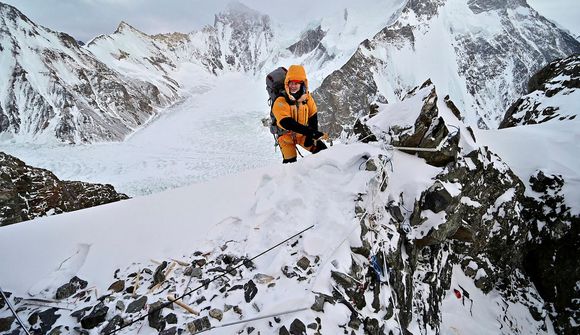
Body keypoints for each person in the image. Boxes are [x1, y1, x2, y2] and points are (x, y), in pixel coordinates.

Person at [271, 65, 327, 163]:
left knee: (323, 151)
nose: (293, 86)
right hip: (285, 137)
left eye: (297, 83)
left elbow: (313, 117)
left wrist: (311, 135)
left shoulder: (307, 98)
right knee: (290, 164)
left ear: (302, 83)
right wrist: (309, 132)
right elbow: (286, 122)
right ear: (287, 83)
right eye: (291, 83)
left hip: (302, 134)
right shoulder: (281, 99)